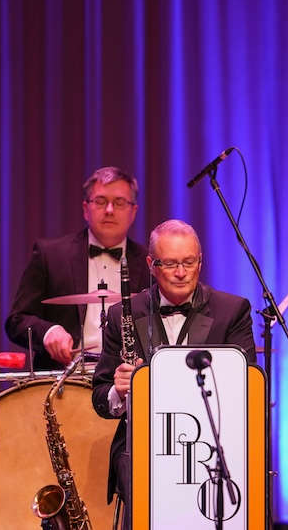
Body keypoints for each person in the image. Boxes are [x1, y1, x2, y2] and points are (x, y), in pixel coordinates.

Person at [91, 219, 256, 529]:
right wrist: (120, 392)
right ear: (152, 265)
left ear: (200, 262)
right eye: (170, 264)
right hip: (143, 443)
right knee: (136, 469)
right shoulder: (122, 313)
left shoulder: (232, 311)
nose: (181, 272)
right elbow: (100, 400)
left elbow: (246, 387)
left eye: (189, 262)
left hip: (210, 440)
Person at [5, 167, 150, 370]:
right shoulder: (51, 255)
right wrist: (49, 332)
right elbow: (16, 321)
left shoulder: (149, 262)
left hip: (129, 380)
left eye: (119, 202)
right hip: (65, 381)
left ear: (133, 211)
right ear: (85, 209)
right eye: (100, 201)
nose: (109, 210)